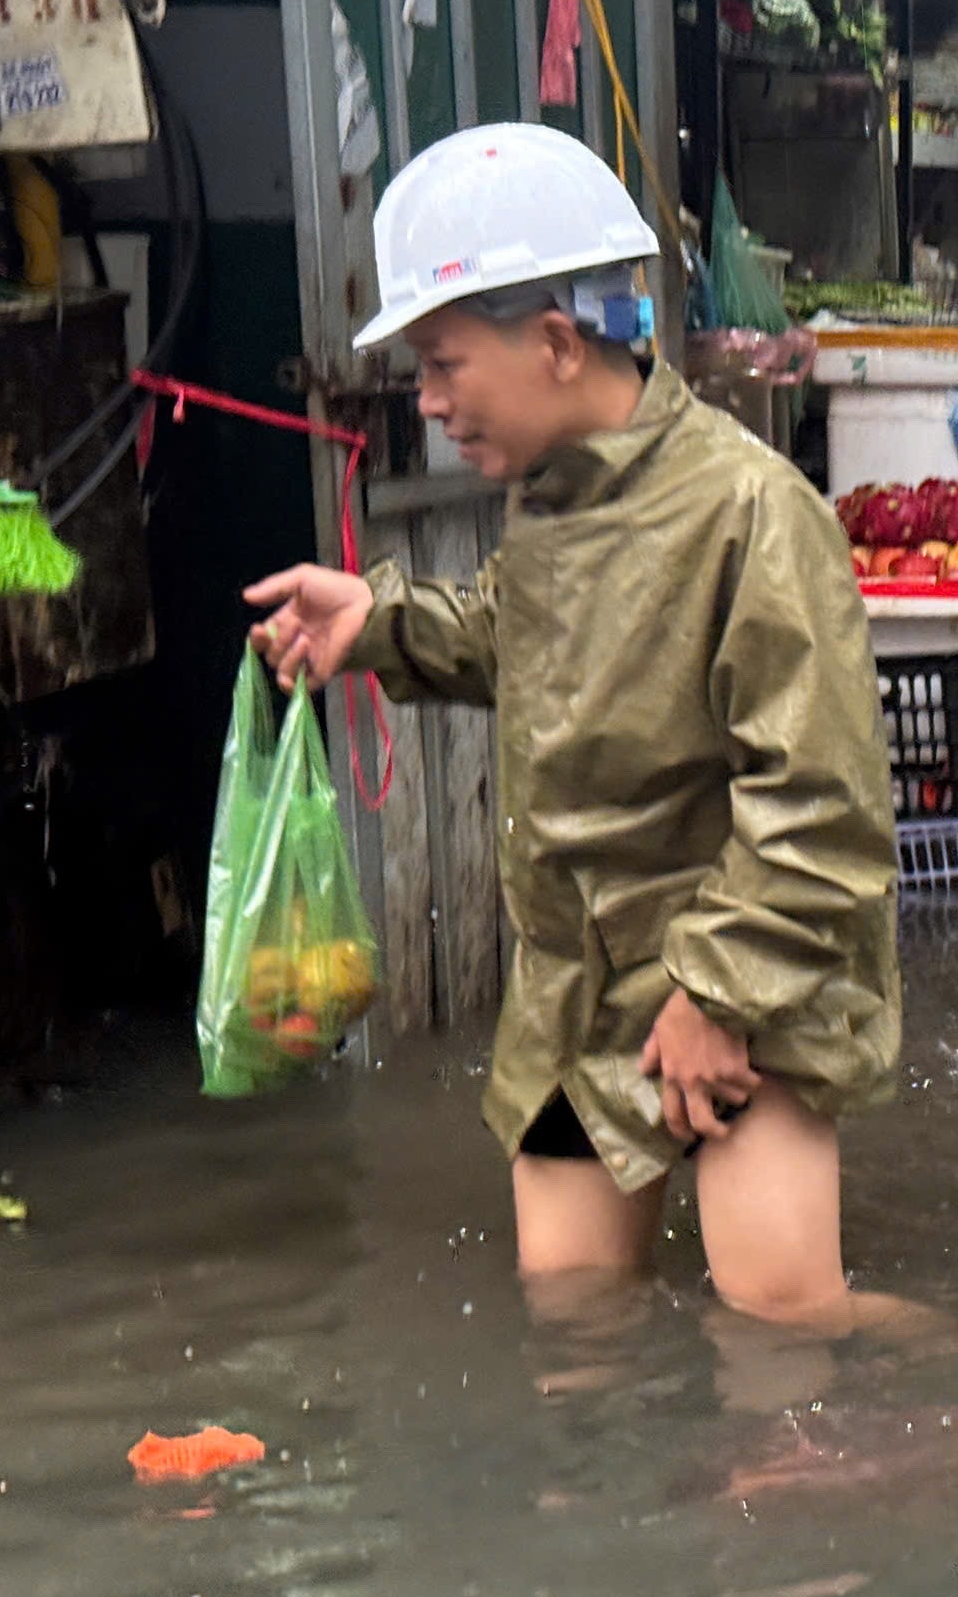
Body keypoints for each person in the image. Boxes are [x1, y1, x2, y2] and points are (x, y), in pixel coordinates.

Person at [246, 123, 913, 1338]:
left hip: (738, 987)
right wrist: (382, 623)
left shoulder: (753, 512)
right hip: (578, 997)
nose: (430, 404)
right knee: (575, 1327)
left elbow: (822, 807)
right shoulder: (554, 498)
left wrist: (716, 993)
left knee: (784, 1325)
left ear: (554, 344)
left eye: (444, 365)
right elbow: (532, 643)